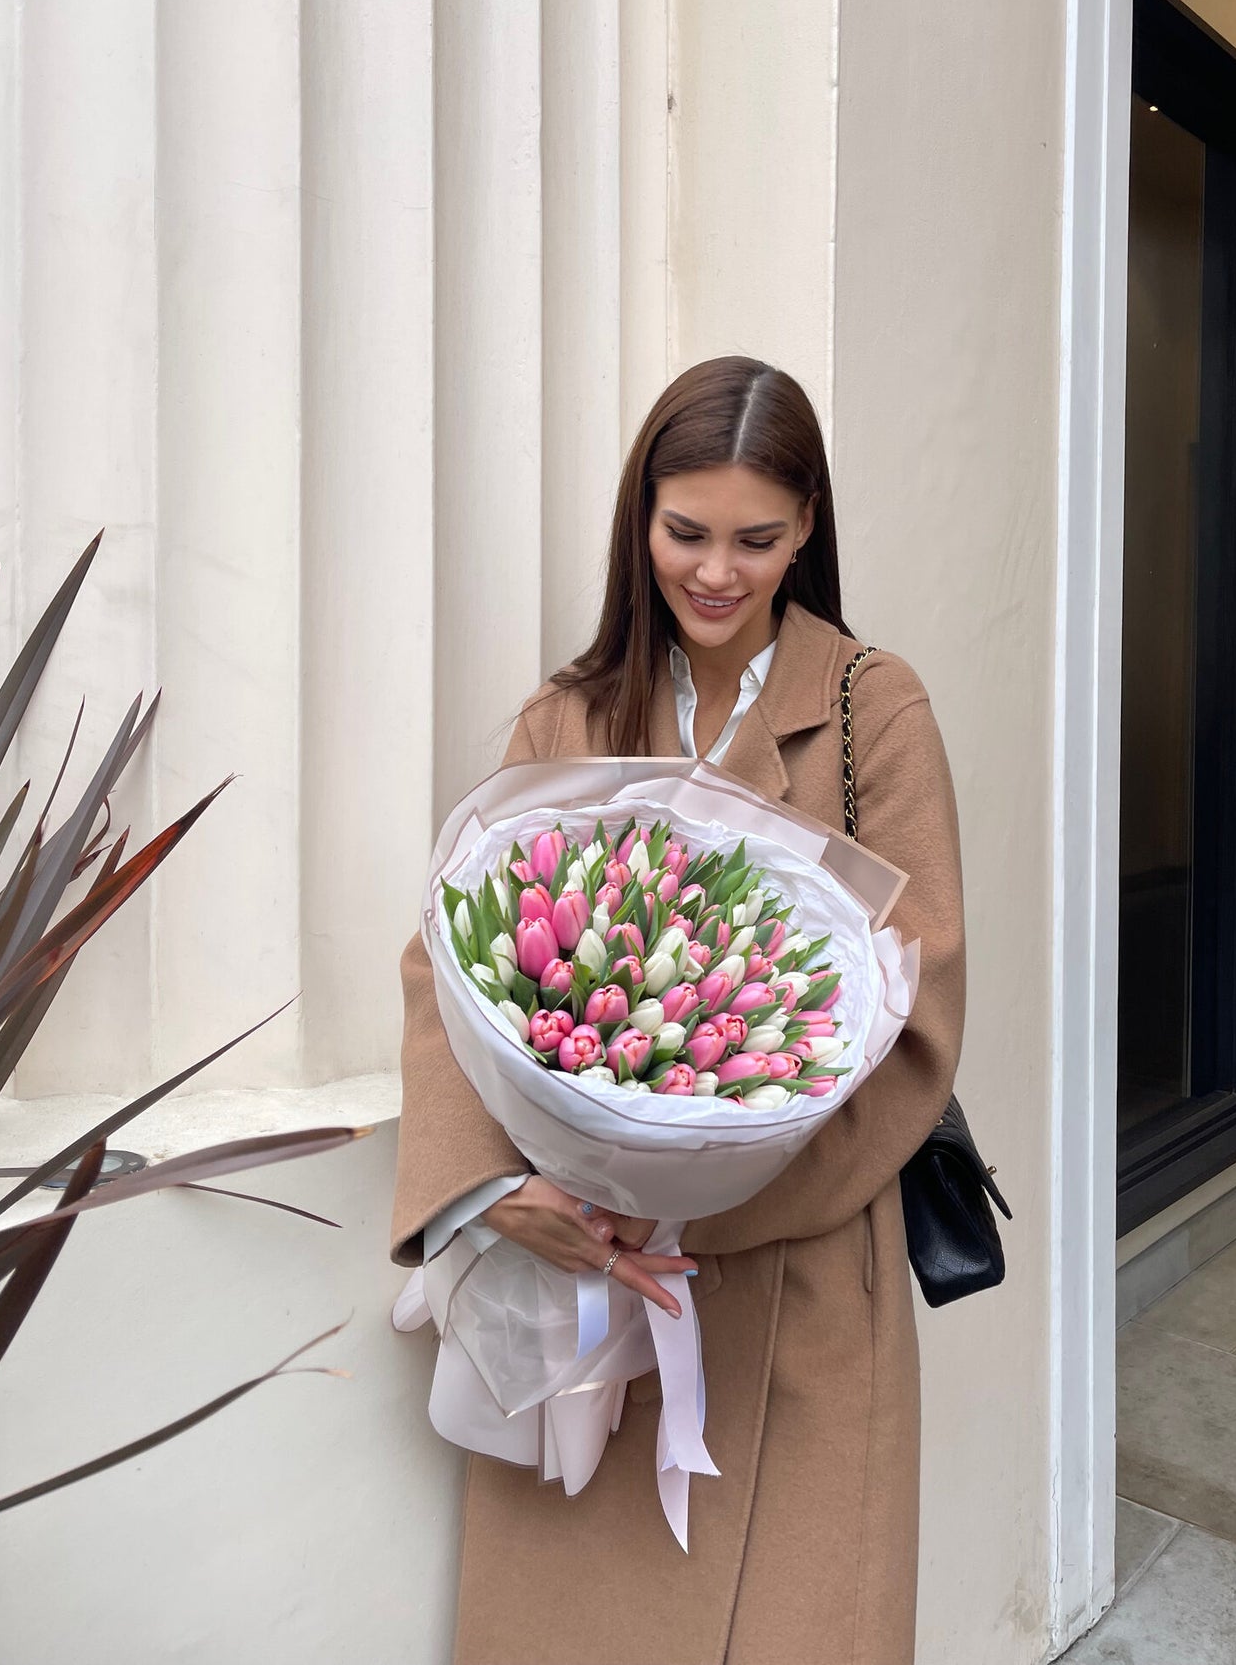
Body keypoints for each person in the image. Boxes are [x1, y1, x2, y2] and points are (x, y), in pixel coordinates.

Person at [391, 355, 966, 1665]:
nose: (715, 572)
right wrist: (492, 1192)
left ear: (809, 526)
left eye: (757, 539)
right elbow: (446, 967)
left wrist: (689, 1193)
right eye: (684, 533)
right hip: (576, 1277)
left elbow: (915, 1006)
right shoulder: (573, 713)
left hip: (801, 1271)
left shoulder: (870, 709)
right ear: (637, 520)